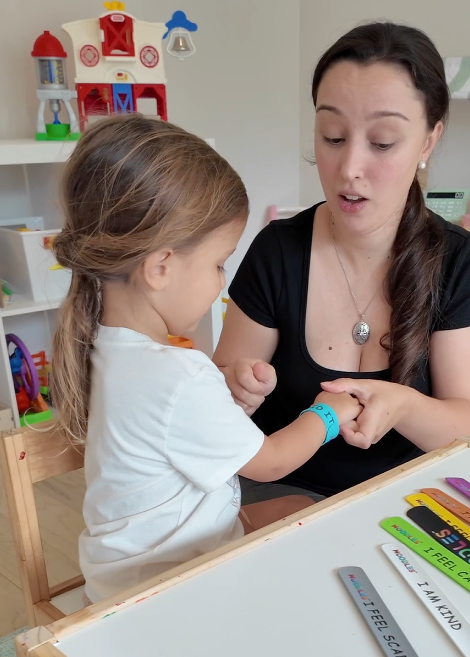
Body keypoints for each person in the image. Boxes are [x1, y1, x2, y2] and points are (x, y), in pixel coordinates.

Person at [50, 115, 361, 604]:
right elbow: (270, 463)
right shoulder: (178, 373)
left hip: (123, 575)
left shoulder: (101, 345)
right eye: (218, 263)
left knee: (297, 507)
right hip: (168, 589)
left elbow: (171, 429)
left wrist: (224, 393)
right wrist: (328, 414)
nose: (222, 281)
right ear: (160, 267)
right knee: (314, 543)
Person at [213, 20, 470, 504]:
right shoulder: (278, 250)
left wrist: (403, 406)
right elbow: (222, 393)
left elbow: (467, 427)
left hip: (402, 500)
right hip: (275, 495)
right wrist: (235, 387)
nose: (349, 169)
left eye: (382, 142)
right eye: (333, 136)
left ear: (428, 141)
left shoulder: (455, 258)